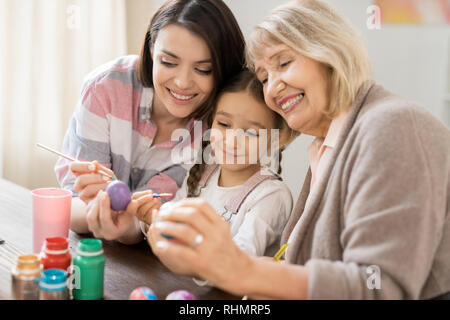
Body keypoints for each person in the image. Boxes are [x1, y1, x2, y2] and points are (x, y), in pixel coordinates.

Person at [145, 0, 450, 300]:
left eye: (284, 63)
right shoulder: (325, 149)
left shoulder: (393, 124)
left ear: (330, 51)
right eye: (264, 77)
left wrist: (241, 269)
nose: (272, 88)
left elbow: (377, 286)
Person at [54, 0, 246, 244]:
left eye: (203, 69)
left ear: (222, 71)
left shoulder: (218, 132)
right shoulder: (106, 87)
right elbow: (70, 202)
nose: (183, 82)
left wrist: (129, 226)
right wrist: (105, 213)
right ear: (152, 50)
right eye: (168, 62)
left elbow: (153, 218)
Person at [139, 69, 298, 257]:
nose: (232, 141)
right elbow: (173, 222)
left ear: (274, 139)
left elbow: (239, 261)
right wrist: (153, 217)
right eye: (223, 124)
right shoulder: (202, 172)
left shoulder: (271, 197)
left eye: (251, 133)